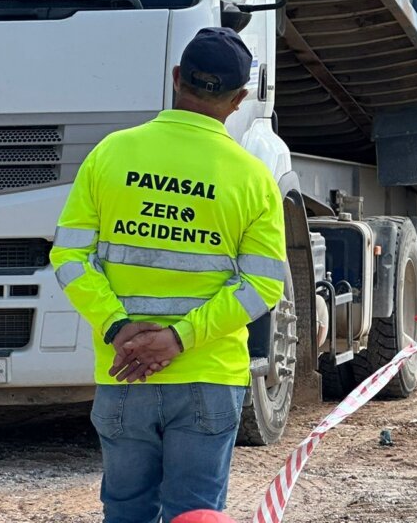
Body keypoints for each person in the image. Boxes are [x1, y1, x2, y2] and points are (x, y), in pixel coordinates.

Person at [50, 27, 286, 523]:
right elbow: (263, 284)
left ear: (177, 77)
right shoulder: (252, 177)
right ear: (239, 98)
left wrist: (116, 326)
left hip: (123, 371)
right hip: (208, 376)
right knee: (195, 515)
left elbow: (69, 258)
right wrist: (179, 339)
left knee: (127, 511)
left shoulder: (110, 153)